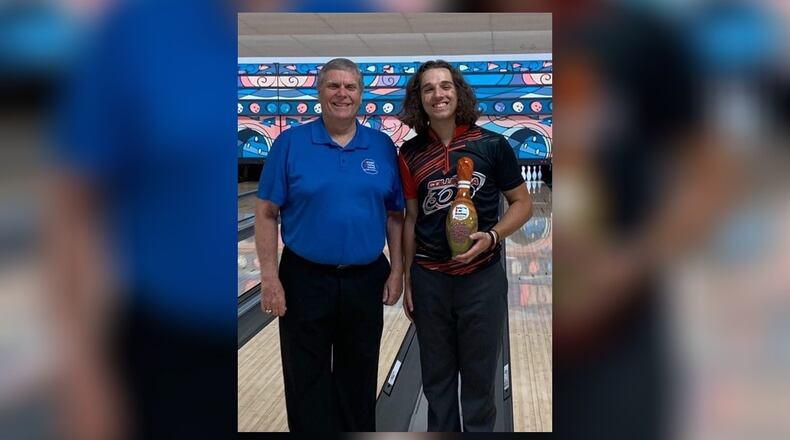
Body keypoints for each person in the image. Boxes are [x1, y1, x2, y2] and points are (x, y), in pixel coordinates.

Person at [255, 58, 405, 432]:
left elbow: (395, 216)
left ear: (361, 95)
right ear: (319, 92)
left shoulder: (382, 146)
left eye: (350, 87)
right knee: (306, 379)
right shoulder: (290, 143)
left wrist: (398, 271)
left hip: (365, 279)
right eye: (333, 86)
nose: (342, 94)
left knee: (359, 377)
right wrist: (270, 278)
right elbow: (266, 213)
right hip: (304, 278)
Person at [397, 60, 533, 431]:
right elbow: (411, 219)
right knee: (437, 383)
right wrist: (410, 281)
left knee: (478, 383)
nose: (438, 94)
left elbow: (523, 203)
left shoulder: (492, 145)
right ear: (419, 98)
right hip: (430, 280)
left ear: (458, 93)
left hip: (481, 280)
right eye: (428, 88)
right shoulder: (409, 155)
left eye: (445, 86)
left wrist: (492, 236)